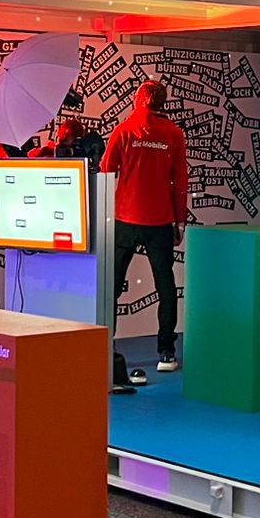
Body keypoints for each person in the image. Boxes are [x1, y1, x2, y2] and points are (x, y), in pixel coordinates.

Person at [101, 80, 190, 373]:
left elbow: (106, 169)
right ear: (163, 102)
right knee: (165, 286)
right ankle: (166, 353)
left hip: (125, 218)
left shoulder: (124, 130)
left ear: (139, 100)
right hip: (160, 219)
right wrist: (179, 221)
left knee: (112, 287)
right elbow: (181, 182)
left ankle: (106, 348)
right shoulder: (174, 133)